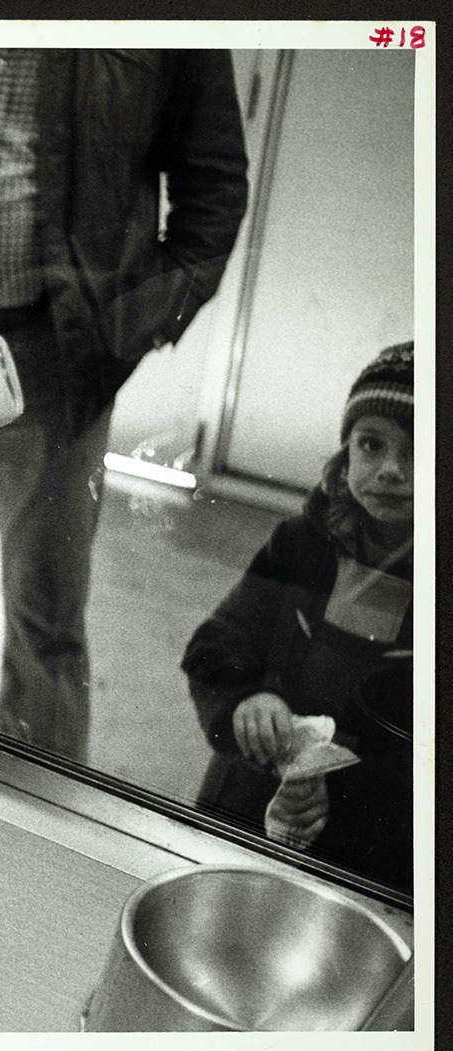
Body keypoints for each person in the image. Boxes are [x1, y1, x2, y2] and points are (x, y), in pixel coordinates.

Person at [0, 49, 250, 759]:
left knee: (46, 613)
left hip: (51, 350)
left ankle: (41, 806)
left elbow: (214, 182)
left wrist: (135, 320)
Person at [183, 344, 415, 888]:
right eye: (371, 445)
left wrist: (339, 788)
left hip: (373, 842)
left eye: (419, 450)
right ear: (346, 451)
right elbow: (216, 646)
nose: (391, 471)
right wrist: (245, 700)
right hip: (247, 799)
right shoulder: (300, 544)